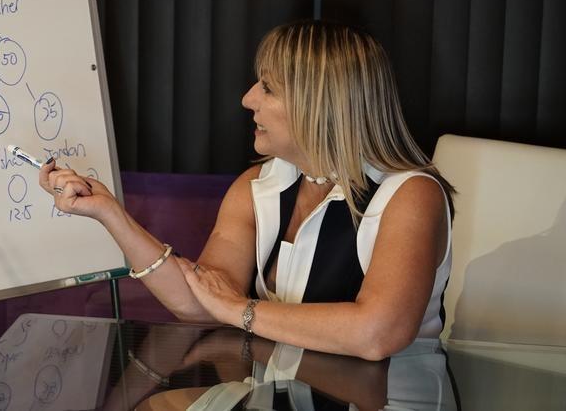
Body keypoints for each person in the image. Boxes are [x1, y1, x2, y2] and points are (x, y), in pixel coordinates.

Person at [39, 19, 455, 361]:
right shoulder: (257, 186)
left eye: (268, 88)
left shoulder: (411, 195)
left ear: (319, 102)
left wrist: (241, 310)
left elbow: (377, 334)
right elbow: (200, 302)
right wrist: (109, 211)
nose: (247, 98)